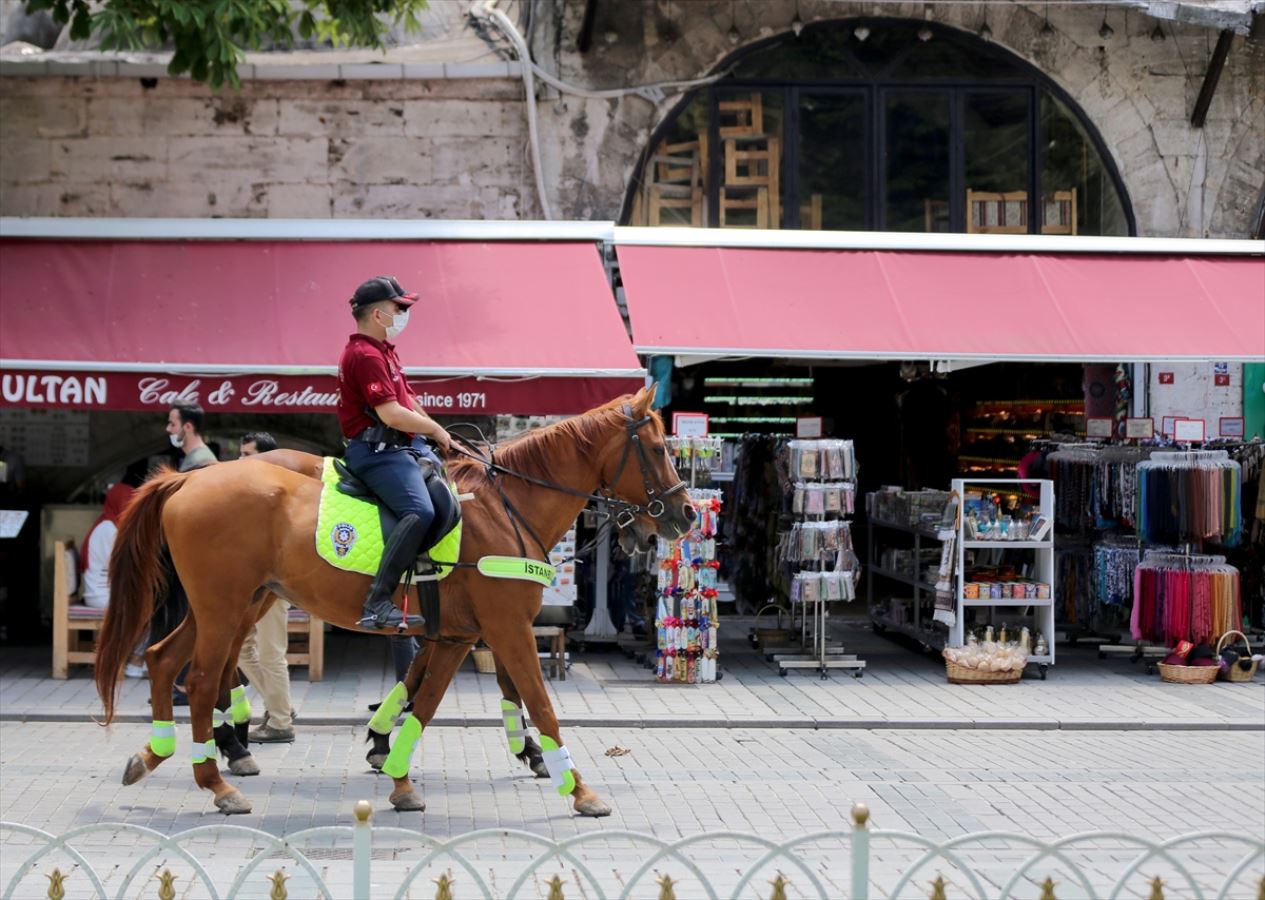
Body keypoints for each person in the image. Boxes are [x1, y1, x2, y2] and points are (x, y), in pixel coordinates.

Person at [338, 275, 452, 629]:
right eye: (397, 307)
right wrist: (433, 429)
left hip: (397, 448)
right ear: (376, 315)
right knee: (419, 511)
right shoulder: (365, 355)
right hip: (376, 452)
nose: (403, 313)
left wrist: (438, 433)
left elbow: (408, 402)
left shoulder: (384, 350)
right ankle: (377, 602)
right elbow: (389, 414)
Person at [235, 432, 297, 742]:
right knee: (241, 649)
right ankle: (280, 706)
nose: (240, 460)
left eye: (247, 454)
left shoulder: (277, 495)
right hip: (252, 584)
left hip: (276, 585)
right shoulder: (248, 495)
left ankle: (281, 723)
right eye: (240, 453)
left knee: (271, 652)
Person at [156, 403, 217, 704]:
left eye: (172, 424)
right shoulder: (193, 460)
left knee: (185, 617)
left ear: (188, 427)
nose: (169, 430)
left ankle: (183, 685)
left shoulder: (202, 463)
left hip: (193, 557)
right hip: (190, 554)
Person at [81, 482, 146, 676]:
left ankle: (138, 657)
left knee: (152, 604)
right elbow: (124, 568)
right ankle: (135, 660)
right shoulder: (108, 529)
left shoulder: (110, 523)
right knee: (151, 609)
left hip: (106, 590)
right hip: (100, 593)